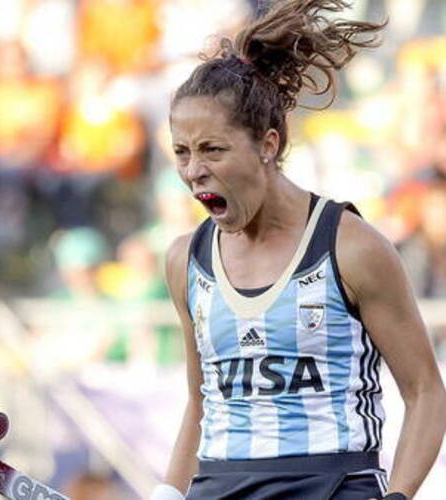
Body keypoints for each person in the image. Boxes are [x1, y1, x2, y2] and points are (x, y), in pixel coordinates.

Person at [150, 1, 446, 500]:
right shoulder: (185, 260)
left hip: (331, 486)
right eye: (182, 152)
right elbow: (201, 406)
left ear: (267, 145)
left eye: (212, 149)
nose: (193, 170)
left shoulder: (351, 246)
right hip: (219, 487)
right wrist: (169, 494)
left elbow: (424, 393)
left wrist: (397, 497)